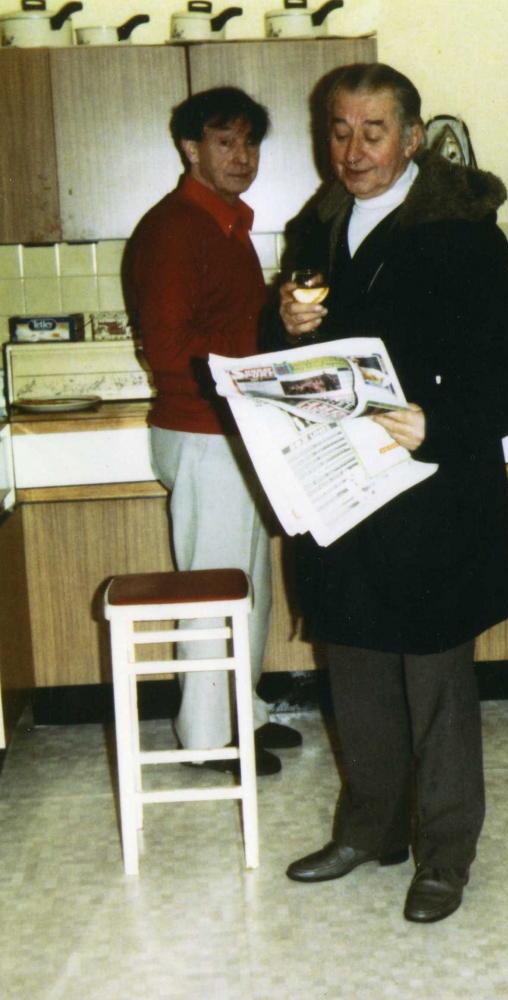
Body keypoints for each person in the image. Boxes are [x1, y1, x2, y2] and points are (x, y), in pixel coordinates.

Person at [277, 63, 508, 921]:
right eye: (338, 132)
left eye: (372, 132)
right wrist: (285, 324)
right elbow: (294, 364)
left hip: (429, 490)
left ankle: (444, 854)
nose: (352, 151)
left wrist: (437, 421)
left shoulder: (465, 235)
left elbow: (503, 390)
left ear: (413, 137)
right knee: (351, 662)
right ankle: (369, 830)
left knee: (433, 680)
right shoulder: (315, 227)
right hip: (341, 487)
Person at [128, 86, 301, 775]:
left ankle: (243, 713)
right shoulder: (176, 228)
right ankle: (205, 737)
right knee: (214, 593)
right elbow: (169, 348)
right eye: (225, 143)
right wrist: (260, 344)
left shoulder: (226, 223)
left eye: (250, 143)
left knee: (246, 585)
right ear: (190, 149)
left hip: (232, 428)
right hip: (202, 432)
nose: (241, 157)